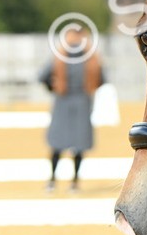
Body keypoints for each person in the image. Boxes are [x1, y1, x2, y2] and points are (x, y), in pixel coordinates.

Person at [39, 27, 104, 193]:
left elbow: (42, 76)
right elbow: (102, 79)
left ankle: (52, 181)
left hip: (63, 102)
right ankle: (74, 183)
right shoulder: (92, 58)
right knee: (79, 145)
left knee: (57, 144)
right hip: (83, 102)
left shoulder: (60, 56)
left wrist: (53, 87)